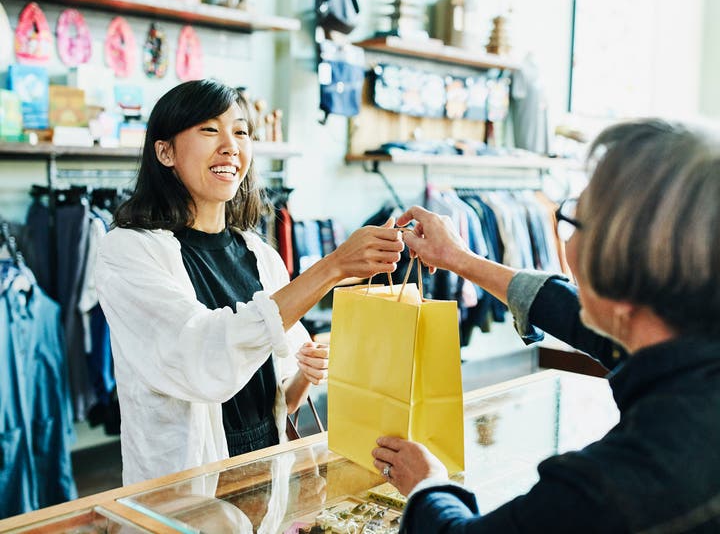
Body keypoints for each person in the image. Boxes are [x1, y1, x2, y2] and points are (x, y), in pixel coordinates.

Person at [372, 118, 720, 532]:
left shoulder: (613, 485)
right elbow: (579, 319)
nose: (566, 244)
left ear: (624, 273)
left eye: (573, 223)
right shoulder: (689, 349)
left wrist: (428, 486)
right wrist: (460, 259)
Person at [95, 79, 404, 485]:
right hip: (184, 490)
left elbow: (280, 403)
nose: (230, 146)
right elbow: (201, 356)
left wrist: (305, 376)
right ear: (165, 151)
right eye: (209, 130)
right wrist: (333, 267)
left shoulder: (262, 257)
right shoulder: (128, 252)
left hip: (263, 479)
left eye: (240, 131)